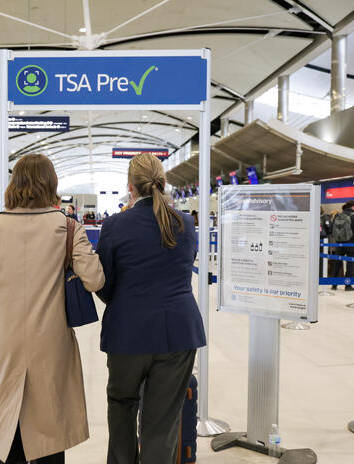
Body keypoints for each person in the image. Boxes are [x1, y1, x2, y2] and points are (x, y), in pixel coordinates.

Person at [0, 154, 105, 464]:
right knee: (49, 426)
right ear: (51, 184)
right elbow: (95, 280)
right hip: (51, 342)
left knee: (9, 424)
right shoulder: (67, 226)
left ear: (15, 183)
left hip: (5, 342)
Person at [95, 154, 206, 464]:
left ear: (130, 187)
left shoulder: (115, 225)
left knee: (122, 406)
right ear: (164, 182)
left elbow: (104, 282)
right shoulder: (184, 223)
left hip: (127, 333)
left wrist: (123, 301)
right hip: (178, 333)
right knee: (162, 420)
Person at [331, 200, 354, 291]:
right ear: (353, 206)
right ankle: (348, 285)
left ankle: (334, 285)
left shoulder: (338, 216)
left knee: (337, 263)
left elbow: (332, 229)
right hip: (351, 243)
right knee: (350, 264)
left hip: (339, 243)